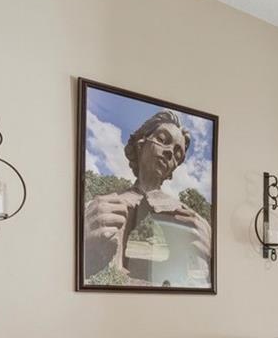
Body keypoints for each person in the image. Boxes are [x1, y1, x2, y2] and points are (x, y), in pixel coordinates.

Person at [82, 110, 212, 285]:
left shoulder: (191, 221)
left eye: (177, 154)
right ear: (140, 144)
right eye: (162, 140)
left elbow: (200, 281)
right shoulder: (99, 208)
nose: (169, 152)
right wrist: (81, 237)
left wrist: (210, 255)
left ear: (173, 170)